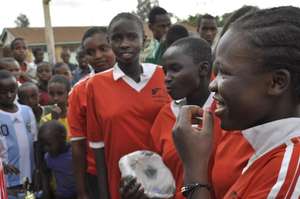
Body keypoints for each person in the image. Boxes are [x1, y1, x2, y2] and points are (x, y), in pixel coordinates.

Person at [173, 6, 300, 198]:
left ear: (277, 82)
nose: (213, 85)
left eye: (224, 72)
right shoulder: (268, 149)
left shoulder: (287, 175)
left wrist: (194, 167)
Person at [86, 13, 170, 199]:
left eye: (131, 36)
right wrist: (104, 194)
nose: (124, 43)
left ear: (144, 39)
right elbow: (98, 146)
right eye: (117, 38)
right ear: (110, 41)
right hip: (124, 186)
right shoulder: (95, 85)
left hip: (164, 182)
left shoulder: (163, 76)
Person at [68, 26, 116, 199]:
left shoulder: (138, 81)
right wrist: (82, 192)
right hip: (97, 174)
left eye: (104, 49)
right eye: (90, 52)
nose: (97, 56)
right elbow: (78, 144)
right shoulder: (79, 91)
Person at [0, 70, 37, 198]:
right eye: (3, 92)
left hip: (28, 180)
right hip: (6, 183)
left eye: (12, 90)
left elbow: (35, 143)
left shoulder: (27, 111)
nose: (9, 95)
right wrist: (3, 165)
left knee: (29, 197)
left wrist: (37, 170)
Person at [39, 121, 76, 199]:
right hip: (61, 195)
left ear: (62, 138)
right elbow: (44, 172)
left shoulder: (75, 153)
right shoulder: (48, 157)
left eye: (49, 144)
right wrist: (46, 191)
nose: (46, 148)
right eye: (43, 145)